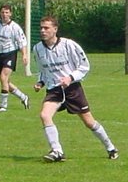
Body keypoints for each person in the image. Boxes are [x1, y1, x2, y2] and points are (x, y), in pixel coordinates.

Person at [33, 16, 119, 162]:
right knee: (44, 115)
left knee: (89, 122)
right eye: (41, 28)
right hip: (54, 90)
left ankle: (110, 147)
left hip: (73, 89)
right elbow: (42, 70)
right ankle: (57, 151)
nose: (42, 31)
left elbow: (85, 67)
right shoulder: (37, 48)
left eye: (46, 28)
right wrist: (40, 82)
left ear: (55, 29)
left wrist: (70, 78)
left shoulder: (69, 45)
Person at [0, 4, 29, 112]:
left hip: (10, 53)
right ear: (0, 13)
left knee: (4, 77)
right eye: (2, 12)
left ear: (10, 14)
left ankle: (3, 106)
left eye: (7, 12)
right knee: (4, 81)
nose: (4, 14)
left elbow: (22, 42)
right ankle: (23, 97)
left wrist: (24, 54)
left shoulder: (15, 27)